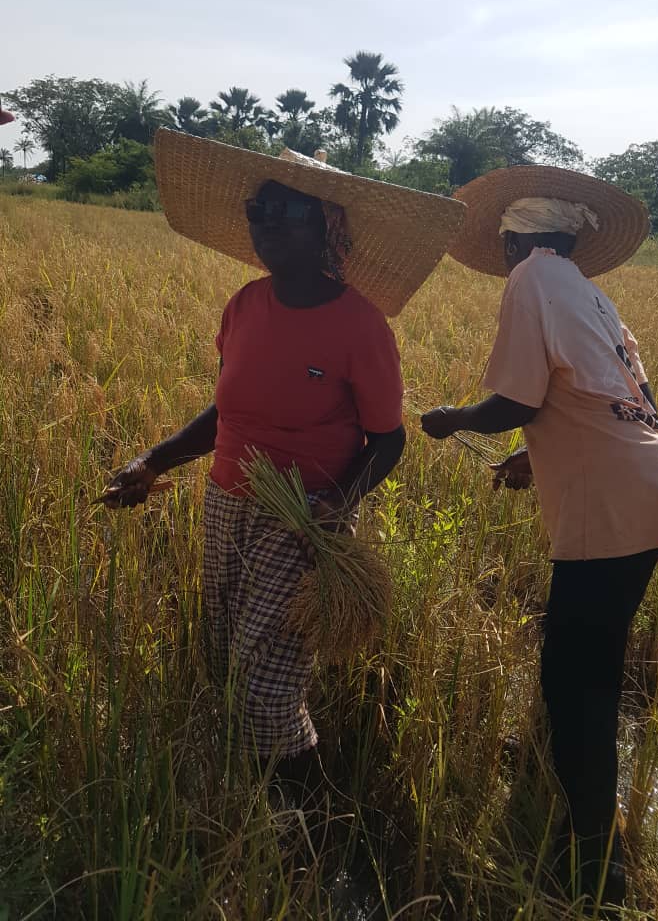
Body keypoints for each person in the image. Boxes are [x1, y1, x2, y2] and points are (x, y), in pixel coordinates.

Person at [102, 130, 464, 814]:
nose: (267, 225)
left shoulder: (361, 325)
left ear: (326, 225)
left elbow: (386, 442)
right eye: (258, 211)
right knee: (224, 661)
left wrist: (336, 503)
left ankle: (301, 827)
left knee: (265, 683)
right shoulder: (244, 305)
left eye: (287, 213)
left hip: (306, 517)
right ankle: (257, 815)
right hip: (226, 504)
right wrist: (151, 463)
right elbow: (224, 412)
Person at [421, 167, 658, 911]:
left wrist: (455, 418)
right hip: (655, 474)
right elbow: (621, 398)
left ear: (517, 240)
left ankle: (595, 866)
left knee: (579, 681)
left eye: (506, 243)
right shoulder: (593, 295)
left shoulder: (532, 279)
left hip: (614, 493)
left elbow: (515, 399)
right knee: (582, 653)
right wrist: (527, 455)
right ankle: (565, 783)